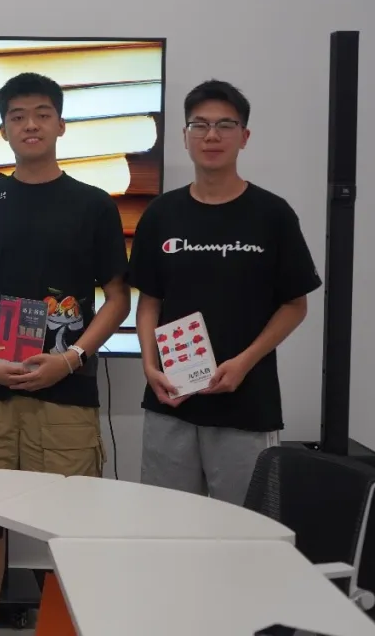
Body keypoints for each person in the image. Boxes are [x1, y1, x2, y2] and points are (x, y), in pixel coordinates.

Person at [0, 72, 131, 635]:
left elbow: (118, 297)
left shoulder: (93, 205)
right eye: (17, 116)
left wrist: (71, 359)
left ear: (61, 125)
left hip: (66, 396)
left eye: (43, 114)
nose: (31, 125)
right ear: (4, 129)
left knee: (67, 531)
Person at [129, 79, 321, 505]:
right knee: (165, 524)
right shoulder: (161, 214)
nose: (211, 135)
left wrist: (244, 363)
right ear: (184, 136)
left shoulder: (272, 214)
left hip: (246, 405)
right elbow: (149, 301)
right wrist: (149, 364)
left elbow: (295, 305)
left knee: (246, 529)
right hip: (171, 401)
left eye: (225, 125)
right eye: (199, 125)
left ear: (244, 136)